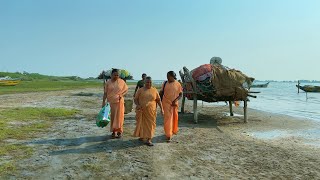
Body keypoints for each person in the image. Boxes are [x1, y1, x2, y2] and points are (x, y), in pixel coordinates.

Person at [133, 76, 164, 146]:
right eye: (147, 82)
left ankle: (149, 139)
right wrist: (137, 105)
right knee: (141, 124)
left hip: (151, 112)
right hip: (141, 111)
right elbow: (135, 99)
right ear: (144, 82)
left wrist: (162, 109)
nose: (149, 84)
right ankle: (142, 136)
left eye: (150, 82)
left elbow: (158, 100)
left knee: (150, 125)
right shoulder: (140, 90)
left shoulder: (154, 90)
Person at [102, 69, 128, 138]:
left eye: (117, 75)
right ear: (111, 75)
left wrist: (121, 95)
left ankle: (119, 131)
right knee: (113, 117)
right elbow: (105, 93)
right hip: (111, 102)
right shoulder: (108, 82)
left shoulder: (122, 82)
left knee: (120, 117)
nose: (116, 76)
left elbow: (126, 90)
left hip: (120, 102)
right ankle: (113, 131)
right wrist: (103, 102)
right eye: (114, 75)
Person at [160, 71, 182, 142]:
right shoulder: (165, 83)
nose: (167, 77)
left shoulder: (178, 84)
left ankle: (173, 130)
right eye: (167, 76)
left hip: (174, 104)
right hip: (165, 103)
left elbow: (180, 95)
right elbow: (161, 93)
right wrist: (159, 102)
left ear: (173, 76)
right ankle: (168, 134)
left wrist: (175, 100)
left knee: (174, 117)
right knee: (168, 119)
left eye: (168, 76)